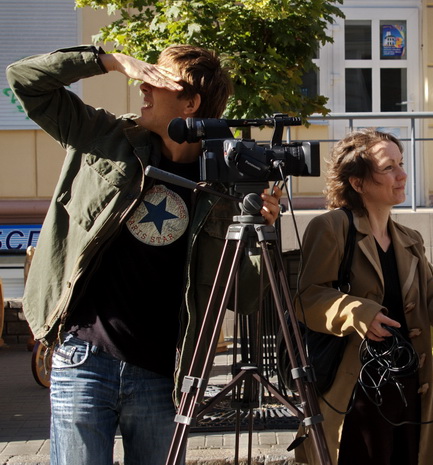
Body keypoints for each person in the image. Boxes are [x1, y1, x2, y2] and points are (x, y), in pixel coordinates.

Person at [6, 45, 282, 465]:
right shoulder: (106, 137)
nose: (142, 85)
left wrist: (261, 232)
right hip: (84, 358)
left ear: (190, 104)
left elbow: (244, 296)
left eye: (158, 78)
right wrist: (110, 61)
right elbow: (24, 79)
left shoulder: (227, 184)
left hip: (163, 375)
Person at [293, 128, 433, 465]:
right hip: (358, 392)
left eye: (401, 164)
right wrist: (358, 312)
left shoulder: (410, 239)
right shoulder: (332, 227)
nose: (402, 175)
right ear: (357, 183)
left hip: (412, 388)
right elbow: (307, 299)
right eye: (388, 167)